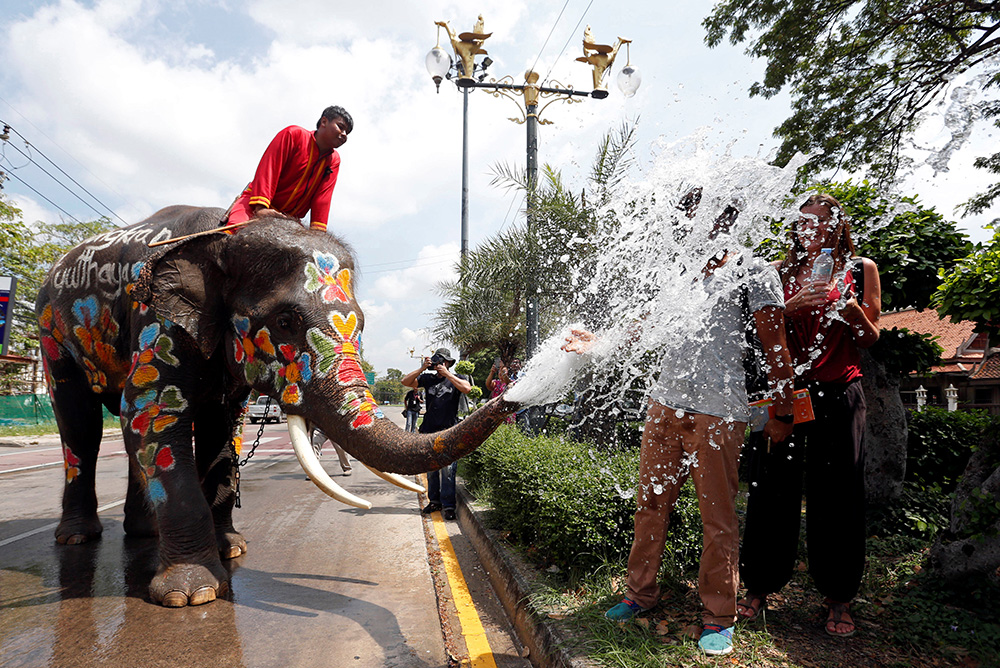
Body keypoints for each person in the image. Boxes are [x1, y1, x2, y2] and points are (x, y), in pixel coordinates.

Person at [562, 209, 796, 656]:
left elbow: (775, 344)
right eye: (685, 221)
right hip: (664, 406)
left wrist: (783, 410)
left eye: (699, 219)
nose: (690, 229)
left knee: (718, 517)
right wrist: (599, 342)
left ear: (724, 221)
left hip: (718, 413)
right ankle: (639, 592)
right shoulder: (681, 276)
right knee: (650, 505)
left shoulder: (754, 270)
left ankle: (718, 615)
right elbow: (646, 326)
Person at [738, 194, 881, 638]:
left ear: (838, 226)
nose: (811, 228)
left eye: (822, 221)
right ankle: (759, 586)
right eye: (803, 222)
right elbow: (758, 336)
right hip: (788, 396)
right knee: (770, 490)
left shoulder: (861, 270)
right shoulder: (777, 274)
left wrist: (849, 306)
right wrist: (792, 306)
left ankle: (838, 596)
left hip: (840, 393)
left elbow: (871, 337)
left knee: (838, 494)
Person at [225, 105, 353, 232]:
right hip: (255, 204)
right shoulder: (294, 134)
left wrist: (318, 233)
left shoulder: (334, 160)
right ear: (324, 122)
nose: (344, 135)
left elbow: (323, 197)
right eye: (340, 127)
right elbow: (269, 169)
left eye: (347, 132)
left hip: (289, 219)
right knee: (235, 232)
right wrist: (260, 208)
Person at [401, 347, 472, 521]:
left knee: (448, 470)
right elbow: (405, 381)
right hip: (428, 430)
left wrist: (447, 374)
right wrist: (422, 368)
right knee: (432, 468)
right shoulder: (428, 379)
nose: (440, 364)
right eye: (437, 362)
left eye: (443, 362)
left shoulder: (458, 378)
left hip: (449, 431)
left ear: (448, 363)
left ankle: (448, 506)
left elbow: (467, 389)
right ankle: (434, 502)